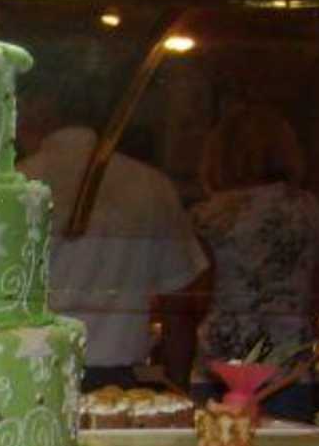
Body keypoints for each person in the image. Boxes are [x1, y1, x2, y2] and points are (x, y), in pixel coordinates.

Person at [18, 82, 205, 389]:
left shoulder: (17, 185)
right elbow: (179, 305)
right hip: (119, 381)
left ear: (37, 108)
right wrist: (178, 388)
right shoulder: (151, 186)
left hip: (32, 374)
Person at [188, 105, 319, 421]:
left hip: (219, 363)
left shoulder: (208, 215)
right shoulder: (307, 209)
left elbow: (193, 297)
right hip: (288, 364)